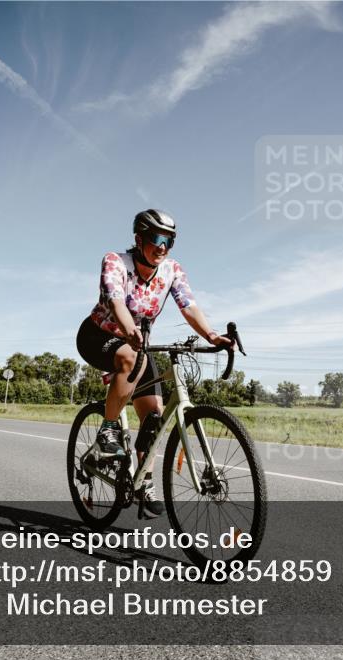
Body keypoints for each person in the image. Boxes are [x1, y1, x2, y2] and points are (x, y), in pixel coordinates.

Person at [76, 209, 234, 518]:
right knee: (126, 356)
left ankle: (143, 483)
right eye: (157, 239)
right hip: (98, 336)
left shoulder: (172, 270)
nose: (162, 247)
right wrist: (129, 330)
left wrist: (213, 336)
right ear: (139, 238)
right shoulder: (116, 262)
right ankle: (108, 433)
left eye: (169, 241)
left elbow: (188, 307)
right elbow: (116, 301)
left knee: (154, 419)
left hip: (138, 344)